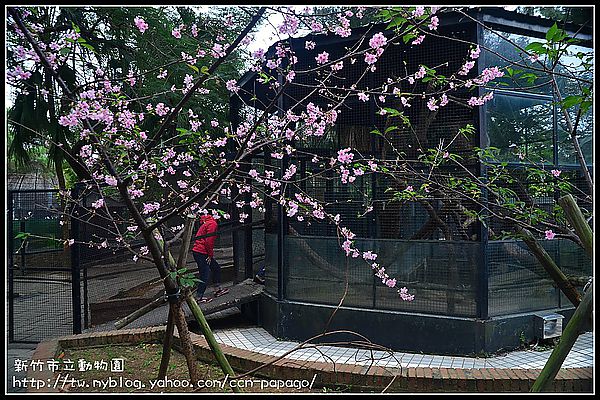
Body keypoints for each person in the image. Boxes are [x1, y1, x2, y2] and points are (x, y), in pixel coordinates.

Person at [192, 214, 229, 302]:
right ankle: (199, 297)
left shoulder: (207, 223)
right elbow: (209, 241)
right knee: (205, 274)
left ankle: (217, 289)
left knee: (215, 268)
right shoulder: (212, 224)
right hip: (202, 252)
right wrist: (210, 255)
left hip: (199, 251)